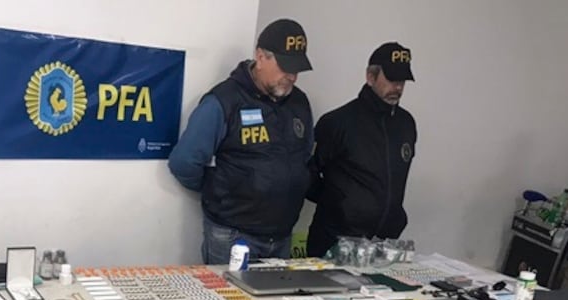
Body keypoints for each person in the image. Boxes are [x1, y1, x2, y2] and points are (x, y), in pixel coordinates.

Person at [168, 18, 315, 264]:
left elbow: (305, 156)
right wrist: (221, 192)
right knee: (226, 292)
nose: (291, 76)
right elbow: (184, 162)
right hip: (233, 237)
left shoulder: (299, 102)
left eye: (296, 69)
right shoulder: (224, 100)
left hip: (281, 237)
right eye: (285, 67)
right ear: (260, 57)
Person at [306, 42, 417, 257]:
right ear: (370, 77)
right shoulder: (338, 122)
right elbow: (306, 175)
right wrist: (340, 204)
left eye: (402, 81)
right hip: (334, 240)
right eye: (392, 80)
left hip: (383, 245)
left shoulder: (406, 124)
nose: (398, 88)